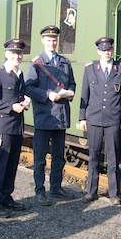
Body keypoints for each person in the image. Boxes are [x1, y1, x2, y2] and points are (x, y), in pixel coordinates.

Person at [25, 25, 76, 206]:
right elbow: (29, 87)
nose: (52, 42)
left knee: (59, 157)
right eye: (48, 39)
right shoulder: (36, 64)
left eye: (54, 39)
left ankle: (56, 188)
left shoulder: (64, 62)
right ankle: (40, 191)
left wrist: (70, 93)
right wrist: (48, 95)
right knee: (40, 159)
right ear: (43, 41)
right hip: (44, 116)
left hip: (60, 117)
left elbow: (72, 84)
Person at [79, 37, 121, 205]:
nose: (107, 53)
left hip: (113, 120)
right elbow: (84, 95)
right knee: (93, 156)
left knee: (113, 158)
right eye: (103, 50)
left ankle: (114, 194)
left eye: (109, 50)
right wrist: (82, 117)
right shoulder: (90, 69)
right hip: (93, 119)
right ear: (98, 52)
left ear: (112, 51)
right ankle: (91, 191)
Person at [0, 38, 29, 218]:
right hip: (1, 127)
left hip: (16, 127)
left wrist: (24, 102)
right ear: (6, 54)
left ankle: (6, 197)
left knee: (11, 165)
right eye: (13, 53)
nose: (17, 56)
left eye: (19, 53)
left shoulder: (19, 74)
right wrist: (11, 107)